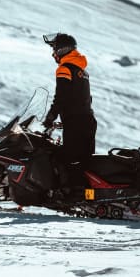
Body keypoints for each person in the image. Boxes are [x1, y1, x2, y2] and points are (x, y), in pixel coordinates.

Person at [42, 33, 97, 188]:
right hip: (88, 120)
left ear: (61, 50)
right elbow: (81, 98)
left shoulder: (64, 69)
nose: (53, 53)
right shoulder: (81, 71)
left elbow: (61, 96)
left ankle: (68, 195)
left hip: (76, 122)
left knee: (64, 159)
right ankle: (87, 195)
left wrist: (50, 117)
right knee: (84, 162)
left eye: (54, 49)